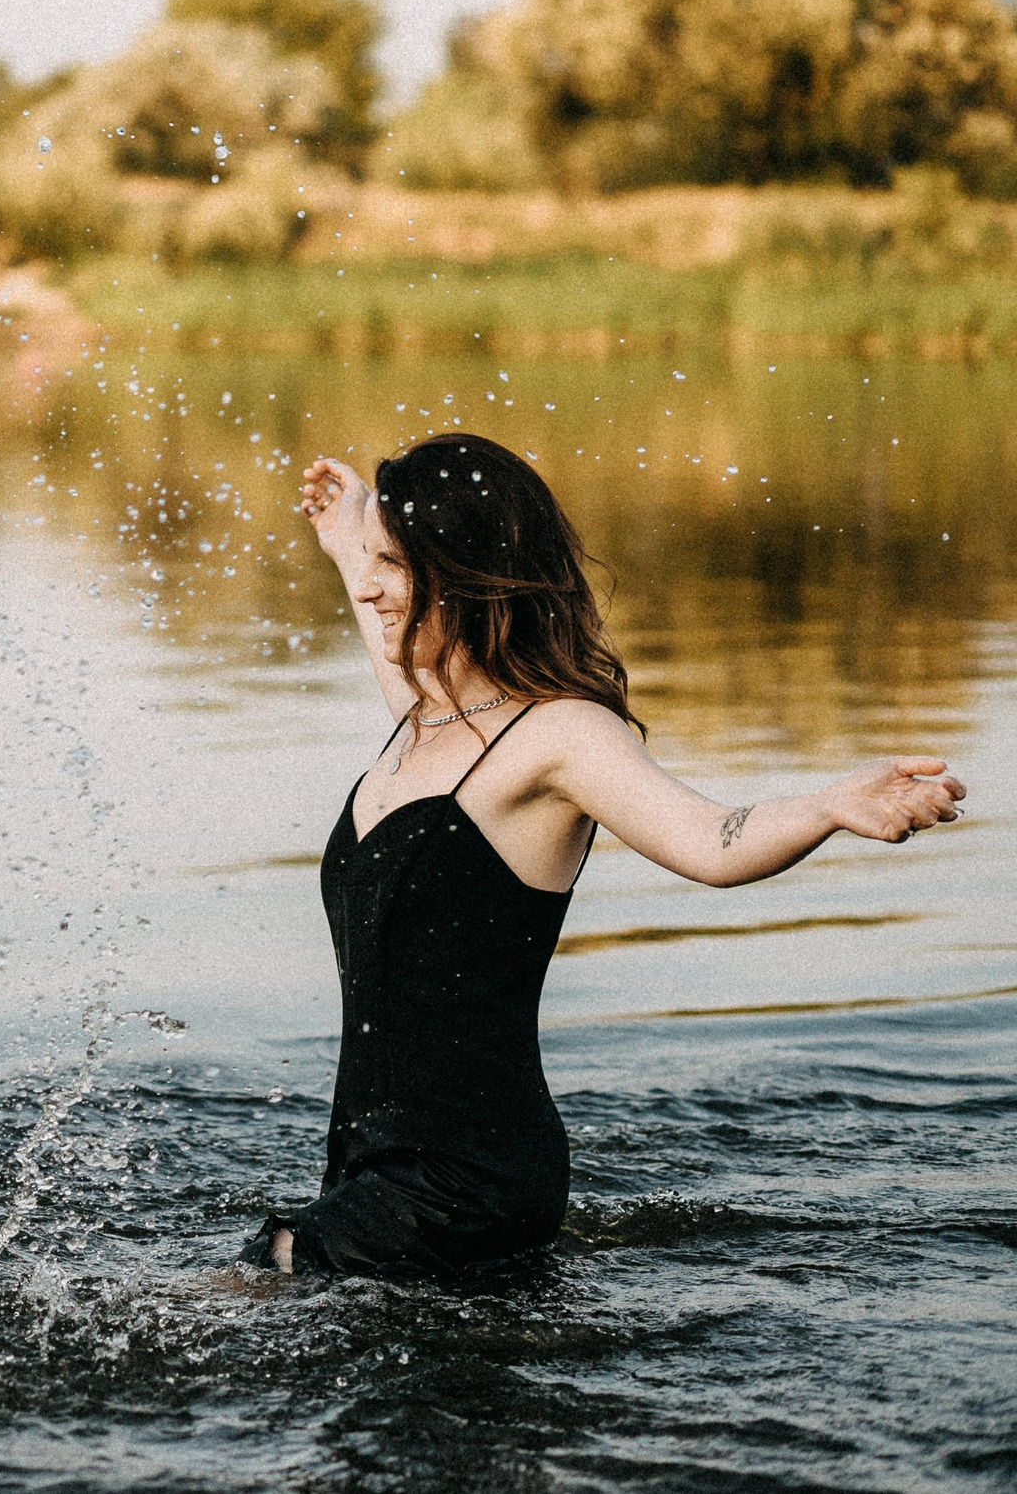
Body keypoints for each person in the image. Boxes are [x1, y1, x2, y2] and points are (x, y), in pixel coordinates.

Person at [252, 432, 964, 1279]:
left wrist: (827, 805)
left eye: (396, 566)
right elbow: (391, 645)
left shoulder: (559, 736)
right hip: (373, 1163)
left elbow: (708, 839)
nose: (371, 587)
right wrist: (349, 537)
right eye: (373, 563)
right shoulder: (426, 718)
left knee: (235, 1298)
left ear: (471, 572)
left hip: (467, 1177)